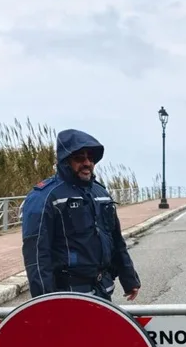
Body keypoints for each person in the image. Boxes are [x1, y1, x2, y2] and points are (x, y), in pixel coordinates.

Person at [21, 128, 141, 302]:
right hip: (68, 296)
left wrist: (129, 278)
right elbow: (37, 255)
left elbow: (115, 239)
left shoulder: (100, 194)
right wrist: (44, 304)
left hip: (102, 291)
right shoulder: (45, 197)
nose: (87, 163)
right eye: (79, 158)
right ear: (65, 161)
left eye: (90, 158)